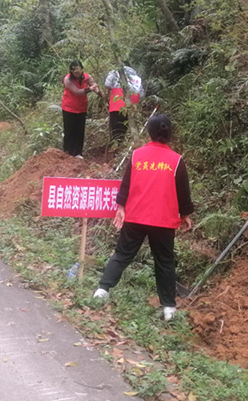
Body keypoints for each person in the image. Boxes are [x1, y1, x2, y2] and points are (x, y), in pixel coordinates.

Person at [93, 115, 194, 321]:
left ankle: (102, 290)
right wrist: (185, 214)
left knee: (122, 254)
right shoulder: (176, 161)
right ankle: (168, 308)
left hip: (136, 216)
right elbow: (183, 192)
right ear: (170, 134)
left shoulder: (137, 155)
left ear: (149, 132)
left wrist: (121, 207)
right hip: (163, 221)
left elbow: (126, 184)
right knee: (164, 262)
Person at [61, 60, 100, 157]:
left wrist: (98, 91)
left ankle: (78, 152)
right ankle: (68, 153)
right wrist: (90, 89)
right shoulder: (68, 79)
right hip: (69, 108)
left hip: (81, 108)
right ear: (71, 71)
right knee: (69, 131)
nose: (77, 74)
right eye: (74, 72)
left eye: (78, 71)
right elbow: (77, 92)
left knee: (79, 131)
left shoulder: (87, 76)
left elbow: (93, 84)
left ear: (82, 70)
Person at [104, 65, 144, 142]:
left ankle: (115, 147)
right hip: (132, 106)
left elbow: (107, 84)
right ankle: (122, 145)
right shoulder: (137, 78)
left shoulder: (115, 72)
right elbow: (141, 94)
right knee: (125, 129)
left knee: (116, 130)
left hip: (117, 104)